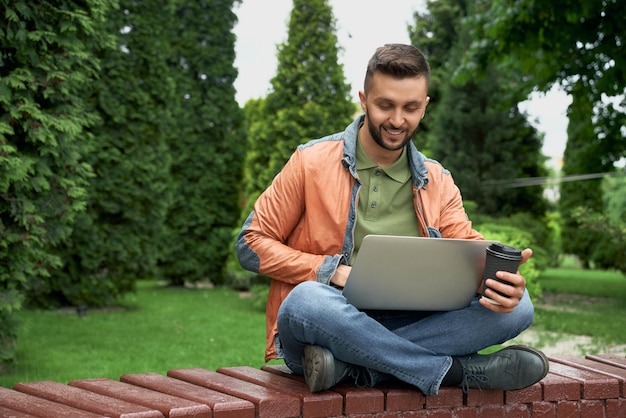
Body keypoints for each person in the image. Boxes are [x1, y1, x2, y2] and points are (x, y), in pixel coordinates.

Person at [236, 43, 549, 395]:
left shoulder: (438, 180)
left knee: (519, 308)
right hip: (328, 322)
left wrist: (498, 283)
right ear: (364, 99)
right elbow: (250, 243)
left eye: (410, 108)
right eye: (385, 105)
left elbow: (468, 249)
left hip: (389, 328)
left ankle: (356, 368)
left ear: (425, 106)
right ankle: (454, 373)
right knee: (307, 299)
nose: (398, 120)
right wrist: (330, 271)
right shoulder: (310, 162)